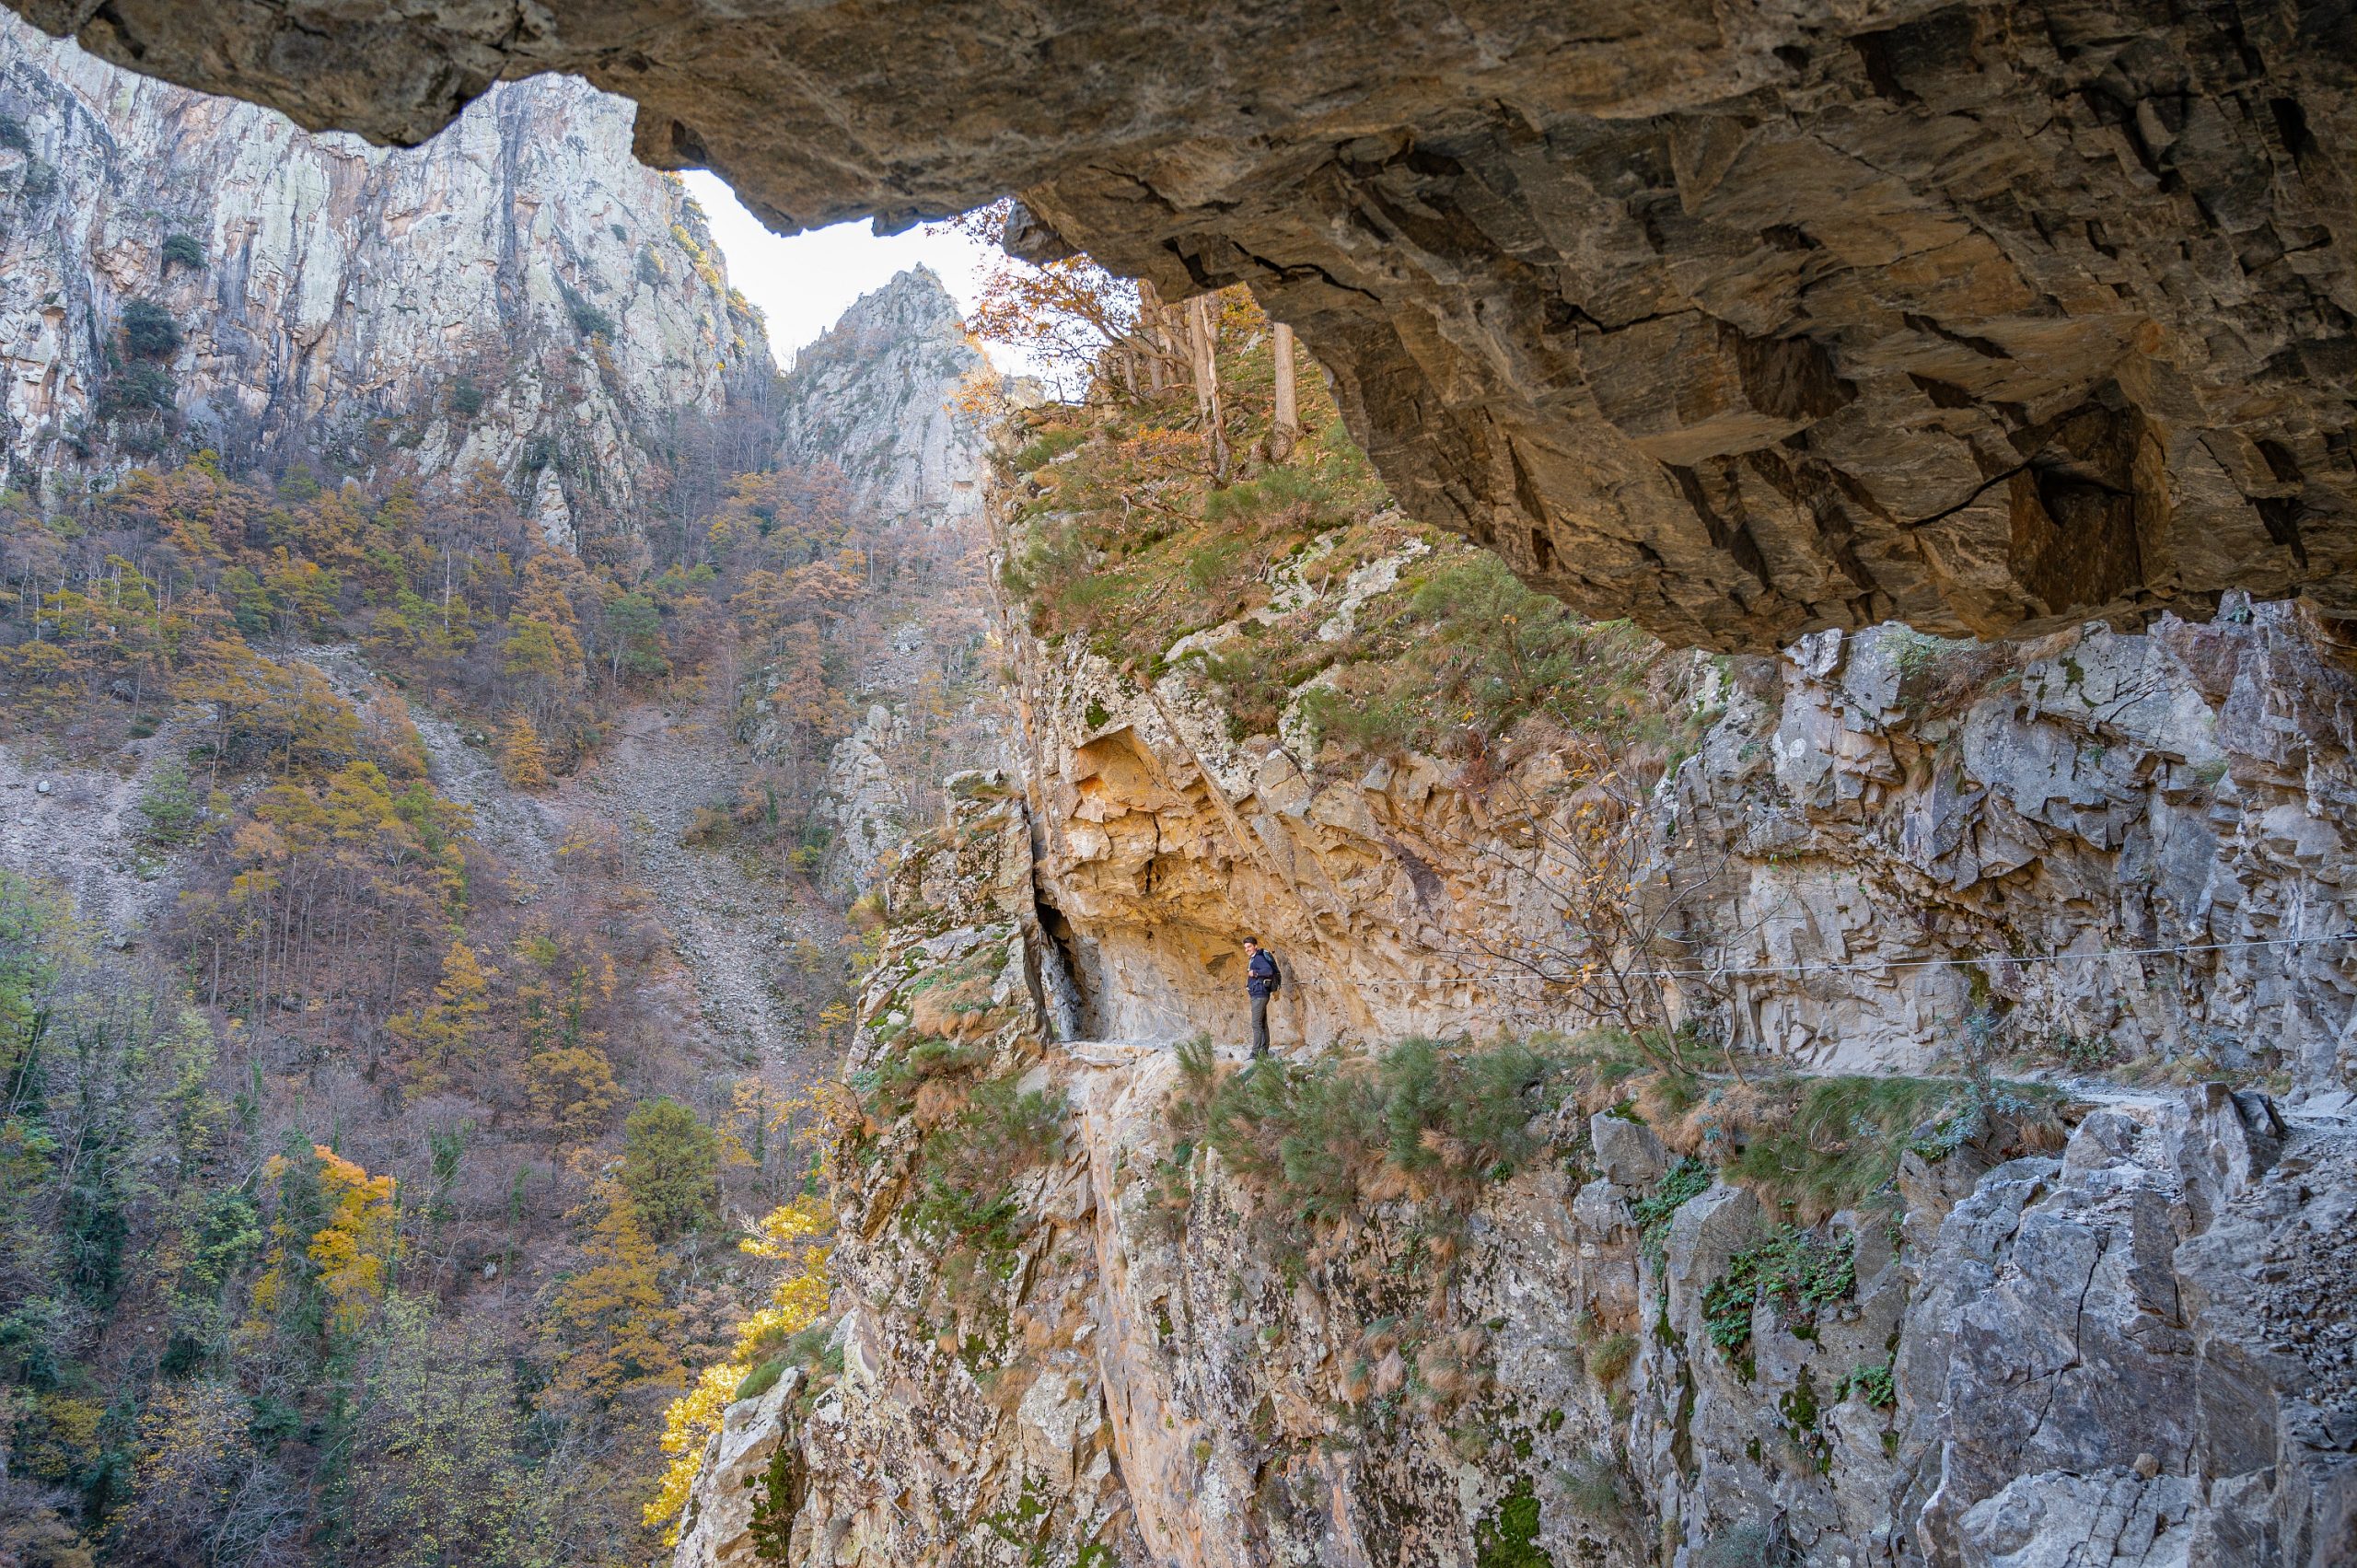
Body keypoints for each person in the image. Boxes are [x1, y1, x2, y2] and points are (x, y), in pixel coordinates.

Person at [1243, 937, 1281, 1059]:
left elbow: (1268, 970)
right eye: (1245, 947)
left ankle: (1255, 1053)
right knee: (1262, 1024)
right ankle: (1264, 1051)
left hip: (1259, 995)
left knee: (1256, 1023)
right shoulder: (1255, 958)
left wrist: (1254, 973)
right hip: (1259, 994)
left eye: (1249, 946)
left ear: (1255, 946)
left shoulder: (1258, 958)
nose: (1247, 949)